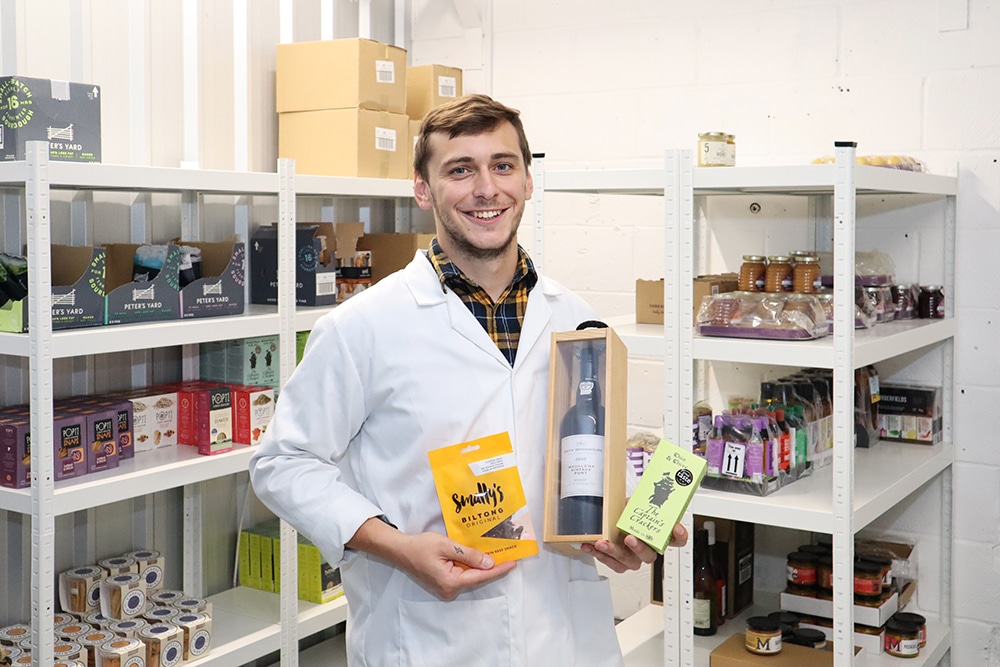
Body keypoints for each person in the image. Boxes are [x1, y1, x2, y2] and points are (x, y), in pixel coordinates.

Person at [249, 94, 687, 666]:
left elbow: (572, 460)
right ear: (422, 189)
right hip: (431, 638)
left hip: (567, 637)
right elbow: (283, 463)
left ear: (529, 180)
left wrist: (618, 525)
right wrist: (398, 547)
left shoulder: (576, 318)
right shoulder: (363, 326)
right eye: (461, 170)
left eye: (503, 165)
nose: (487, 188)